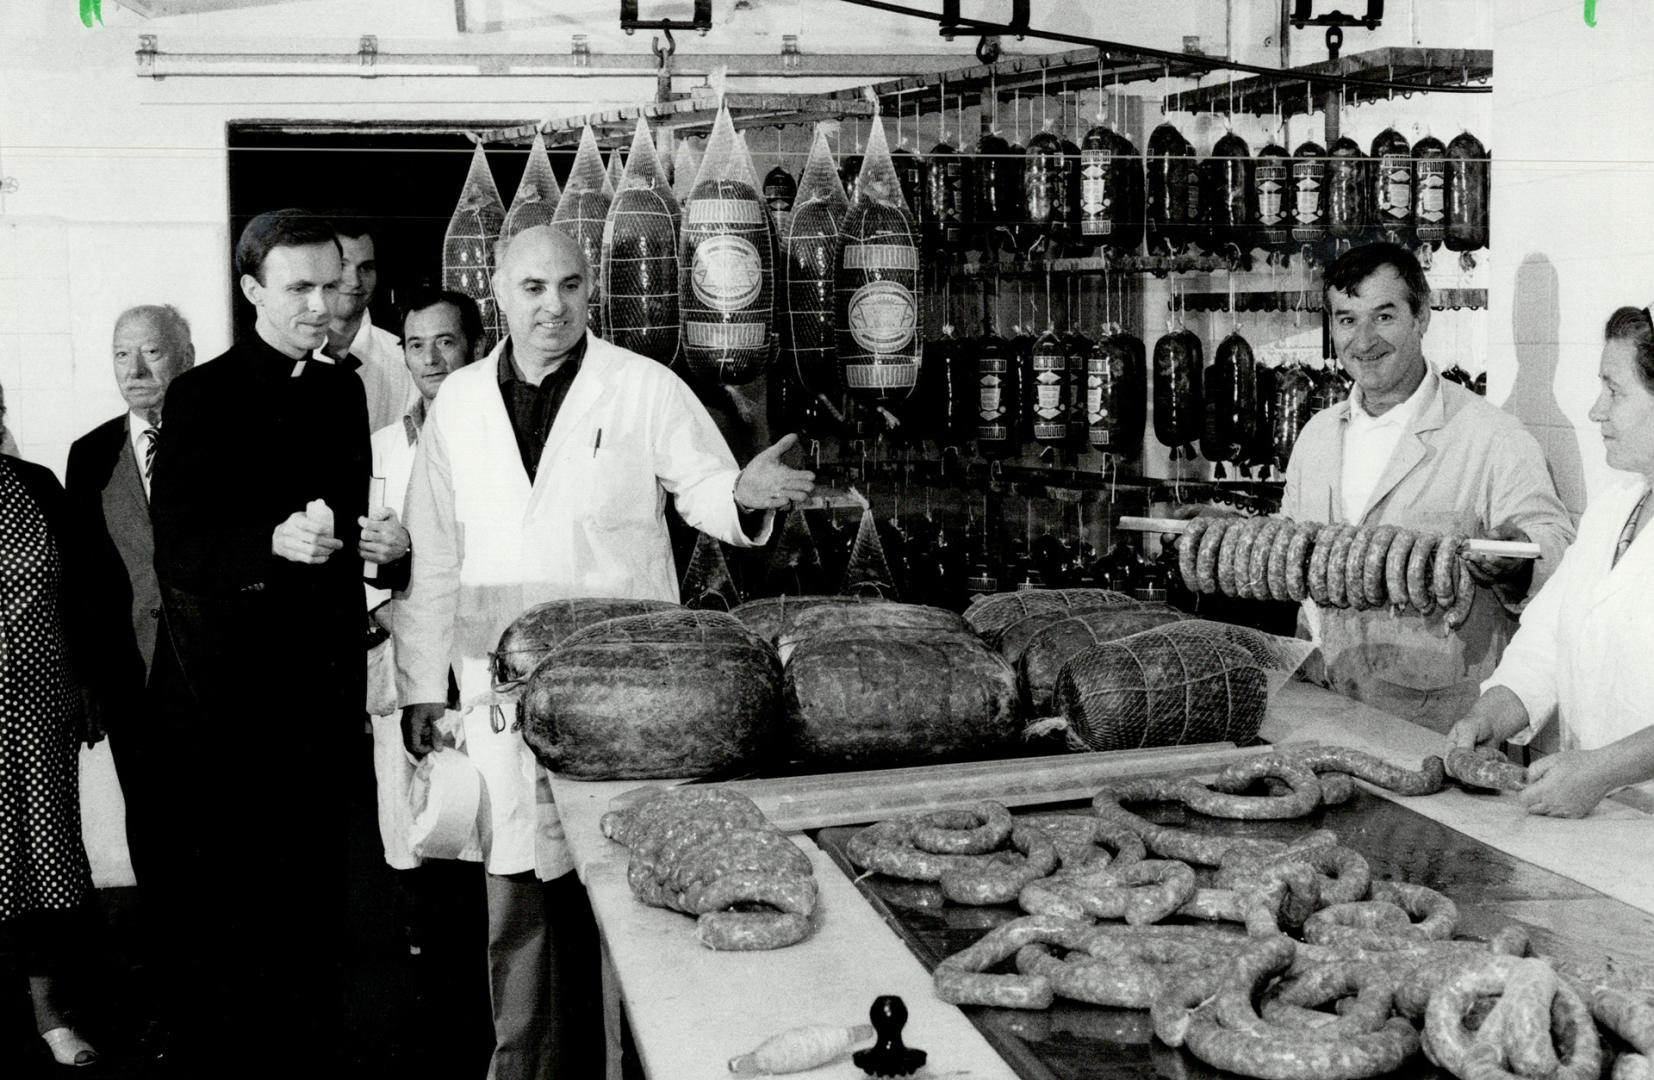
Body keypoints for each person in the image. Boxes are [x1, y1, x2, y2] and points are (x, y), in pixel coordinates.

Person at [393, 223, 814, 1079]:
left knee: (631, 891)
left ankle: (652, 1064)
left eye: (572, 287)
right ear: (501, 297)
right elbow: (433, 555)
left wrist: (741, 491)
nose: (555, 307)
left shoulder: (642, 387)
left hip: (630, 690)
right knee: (517, 893)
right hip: (499, 688)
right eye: (535, 289)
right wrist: (420, 690)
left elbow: (701, 487)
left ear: (591, 292)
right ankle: (527, 1069)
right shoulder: (460, 403)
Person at [148, 208, 409, 1073]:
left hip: (322, 693)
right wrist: (269, 543)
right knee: (236, 913)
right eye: (300, 287)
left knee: (317, 908)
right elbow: (179, 549)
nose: (323, 304)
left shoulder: (342, 389)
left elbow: (344, 530)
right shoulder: (201, 395)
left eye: (333, 285)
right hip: (229, 706)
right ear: (252, 288)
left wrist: (386, 553)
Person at [1280, 242, 1574, 732]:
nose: (1364, 340)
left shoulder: (1493, 436)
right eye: (1348, 320)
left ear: (1422, 317)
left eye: (1385, 316)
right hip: (1321, 697)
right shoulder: (1317, 436)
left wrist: (1518, 560)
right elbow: (1287, 549)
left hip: (1435, 718)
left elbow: (1559, 553)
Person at [1449, 306, 1654, 817]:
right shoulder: (1616, 508)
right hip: (1605, 823)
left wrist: (1604, 769)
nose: (1596, 410)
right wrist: (1488, 717)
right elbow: (1547, 644)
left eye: (1615, 389)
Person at [63, 305, 195, 1059]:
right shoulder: (90, 455)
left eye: (153, 353)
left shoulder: (219, 441)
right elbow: (83, 581)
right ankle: (172, 1007)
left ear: (187, 355)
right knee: (156, 843)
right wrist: (89, 681)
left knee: (224, 844)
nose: (138, 372)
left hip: (213, 686)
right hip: (136, 685)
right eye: (123, 357)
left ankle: (230, 1003)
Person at [365, 287, 483, 872]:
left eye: (445, 342)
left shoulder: (496, 437)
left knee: (492, 830)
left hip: (482, 649)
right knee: (420, 826)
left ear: (476, 346)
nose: (431, 359)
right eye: (416, 345)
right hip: (407, 651)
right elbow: (365, 564)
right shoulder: (380, 450)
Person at [0, 388, 100, 1068]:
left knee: (44, 863)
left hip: (39, 710)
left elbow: (85, 592)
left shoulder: (34, 487)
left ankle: (48, 1013)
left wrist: (87, 685)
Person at [324, 214, 418, 432]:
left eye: (365, 267)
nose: (355, 281)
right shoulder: (291, 353)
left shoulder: (404, 359)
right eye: (341, 265)